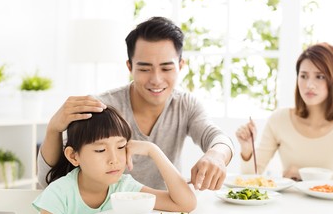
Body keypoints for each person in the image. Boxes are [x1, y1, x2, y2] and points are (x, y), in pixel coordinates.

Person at [37, 16, 233, 191]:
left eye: (166, 68)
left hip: (164, 212)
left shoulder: (185, 105)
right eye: (145, 69)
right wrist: (54, 128)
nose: (156, 79)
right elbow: (49, 182)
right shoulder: (103, 107)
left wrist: (216, 154)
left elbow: (217, 137)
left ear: (180, 66)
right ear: (129, 67)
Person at [32, 106, 196, 214]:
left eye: (121, 147)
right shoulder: (59, 194)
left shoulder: (124, 187)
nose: (114, 159)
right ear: (74, 156)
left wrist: (153, 150)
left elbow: (184, 204)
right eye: (100, 150)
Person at [236, 42, 333, 184]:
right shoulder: (279, 119)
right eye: (303, 76)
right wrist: (248, 150)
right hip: (290, 204)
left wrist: (305, 175)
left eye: (320, 76)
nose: (309, 84)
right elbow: (251, 178)